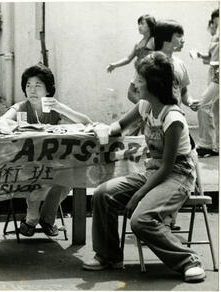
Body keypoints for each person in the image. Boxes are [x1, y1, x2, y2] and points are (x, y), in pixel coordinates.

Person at [83, 52, 205, 283]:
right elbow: (118, 127)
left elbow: (168, 168)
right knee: (102, 194)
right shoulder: (144, 106)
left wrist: (139, 194)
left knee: (141, 220)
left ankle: (188, 260)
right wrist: (100, 130)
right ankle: (108, 255)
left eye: (139, 79)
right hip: (153, 172)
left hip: (177, 176)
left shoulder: (173, 118)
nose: (135, 83)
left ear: (154, 84)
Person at [2, 63, 92, 237]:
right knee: (37, 174)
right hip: (25, 164)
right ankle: (32, 217)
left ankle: (47, 218)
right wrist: (13, 125)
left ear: (48, 90)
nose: (32, 90)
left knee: (70, 175)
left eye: (38, 86)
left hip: (53, 163)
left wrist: (61, 108)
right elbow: (0, 122)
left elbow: (86, 122)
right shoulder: (21, 107)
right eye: (28, 85)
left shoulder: (54, 108)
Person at [106, 14, 156, 104]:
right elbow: (128, 58)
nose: (139, 26)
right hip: (138, 72)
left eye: (142, 23)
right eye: (138, 24)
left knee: (143, 95)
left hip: (148, 73)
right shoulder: (138, 43)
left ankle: (146, 112)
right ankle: (145, 112)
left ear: (150, 26)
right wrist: (114, 65)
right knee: (131, 94)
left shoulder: (153, 41)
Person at [194, 9, 219, 157]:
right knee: (216, 111)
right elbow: (210, 58)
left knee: (203, 105)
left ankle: (207, 144)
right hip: (214, 74)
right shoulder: (215, 38)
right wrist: (199, 55)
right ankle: (215, 146)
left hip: (218, 76)